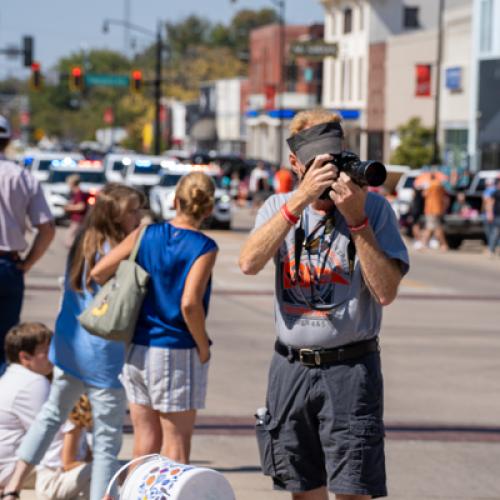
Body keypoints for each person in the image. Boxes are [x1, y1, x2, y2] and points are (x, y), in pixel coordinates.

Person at [239, 108, 409, 500]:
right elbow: (248, 262)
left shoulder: (374, 208)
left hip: (350, 368)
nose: (329, 173)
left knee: (353, 491)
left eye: (334, 159)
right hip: (290, 367)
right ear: (295, 164)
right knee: (303, 490)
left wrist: (358, 221)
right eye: (318, 164)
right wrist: (299, 201)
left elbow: (385, 291)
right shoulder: (277, 207)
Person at [3, 184, 145, 500]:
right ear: (117, 216)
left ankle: (13, 484)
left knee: (51, 416)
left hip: (69, 346)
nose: (139, 216)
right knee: (107, 439)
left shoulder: (82, 241)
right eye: (133, 211)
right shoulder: (116, 250)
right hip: (102, 355)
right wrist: (138, 239)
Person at [90, 172, 218, 465]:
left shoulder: (145, 234)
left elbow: (98, 272)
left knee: (143, 445)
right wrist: (203, 344)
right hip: (176, 347)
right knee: (177, 448)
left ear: (174, 201)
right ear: (208, 209)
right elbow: (189, 303)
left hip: (138, 347)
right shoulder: (203, 246)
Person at [0, 323, 91, 500]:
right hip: (10, 471)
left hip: (6, 466)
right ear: (25, 356)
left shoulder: (11, 376)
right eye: (46, 351)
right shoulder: (34, 383)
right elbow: (55, 439)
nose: (53, 355)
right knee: (101, 471)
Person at [0, 115, 55, 374]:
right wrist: (27, 263)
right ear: (8, 140)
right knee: (6, 343)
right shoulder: (22, 177)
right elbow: (47, 228)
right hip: (8, 264)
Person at [420, 173, 449, 251]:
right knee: (433, 227)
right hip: (438, 208)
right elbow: (444, 195)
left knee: (433, 227)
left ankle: (443, 244)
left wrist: (424, 188)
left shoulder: (429, 185)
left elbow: (424, 194)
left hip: (430, 208)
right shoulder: (440, 184)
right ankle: (425, 244)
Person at [64, 174, 87, 248]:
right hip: (76, 219)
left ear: (72, 183)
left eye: (69, 183)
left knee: (70, 237)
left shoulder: (79, 193)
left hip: (78, 219)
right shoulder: (75, 193)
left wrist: (69, 207)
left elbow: (81, 206)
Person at [484, 177, 500, 257]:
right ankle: (491, 250)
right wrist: (489, 214)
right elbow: (490, 203)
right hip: (497, 215)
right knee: (495, 233)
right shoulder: (496, 192)